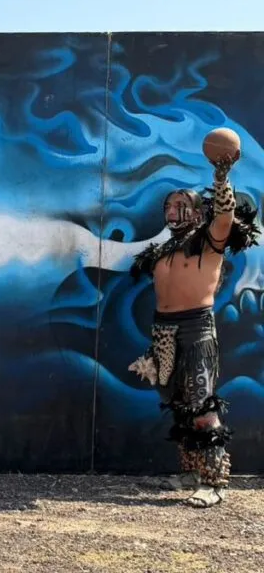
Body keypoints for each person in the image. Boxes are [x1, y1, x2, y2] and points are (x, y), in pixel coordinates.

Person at [128, 146, 260, 508]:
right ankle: (190, 472)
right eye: (168, 206)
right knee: (179, 405)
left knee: (202, 405)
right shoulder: (162, 251)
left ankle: (213, 481)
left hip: (196, 330)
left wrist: (221, 177)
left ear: (198, 212)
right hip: (163, 332)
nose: (172, 211)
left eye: (180, 205)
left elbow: (225, 215)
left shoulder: (209, 241)